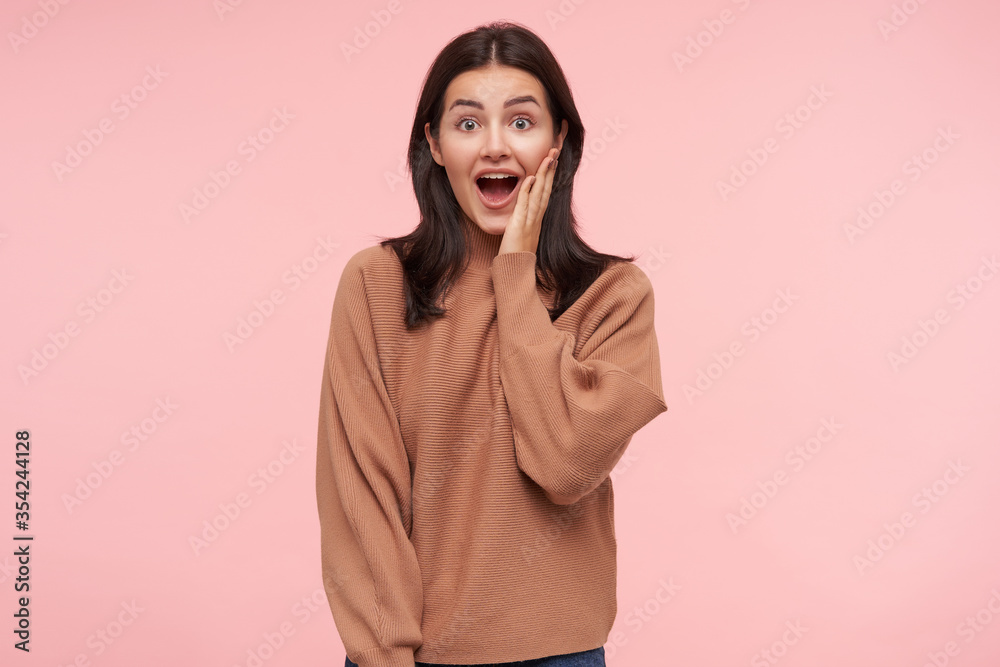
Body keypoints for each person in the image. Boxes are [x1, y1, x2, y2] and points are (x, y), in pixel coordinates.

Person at [315, 20, 668, 667]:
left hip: (560, 655)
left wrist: (514, 274)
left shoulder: (615, 296)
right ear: (435, 142)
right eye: (469, 123)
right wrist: (384, 655)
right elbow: (361, 493)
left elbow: (564, 464)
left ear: (559, 140)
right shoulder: (376, 286)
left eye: (523, 122)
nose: (496, 147)